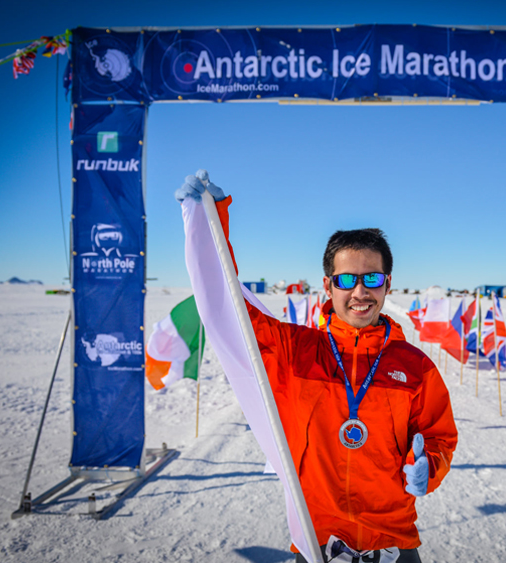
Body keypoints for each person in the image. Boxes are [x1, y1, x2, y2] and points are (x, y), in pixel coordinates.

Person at [177, 172, 458, 563]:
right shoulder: (296, 351)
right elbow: (229, 308)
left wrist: (430, 464)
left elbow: (439, 436)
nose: (360, 292)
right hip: (317, 543)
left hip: (395, 546)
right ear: (328, 286)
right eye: (346, 279)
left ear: (388, 285)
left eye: (372, 278)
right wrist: (211, 225)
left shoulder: (416, 368)